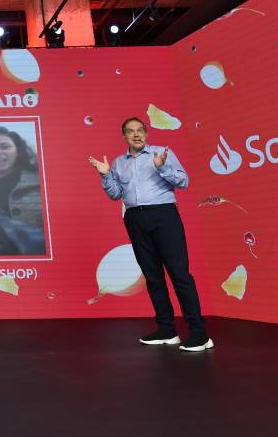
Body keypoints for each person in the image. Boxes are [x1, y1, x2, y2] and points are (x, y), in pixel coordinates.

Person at [89, 117, 212, 352]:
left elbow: (184, 181)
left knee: (179, 274)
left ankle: (199, 333)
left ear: (146, 133)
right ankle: (167, 329)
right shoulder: (118, 163)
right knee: (152, 276)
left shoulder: (161, 153)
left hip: (164, 216)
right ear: (124, 136)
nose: (136, 134)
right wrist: (105, 174)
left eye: (140, 130)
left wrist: (162, 166)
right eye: (130, 131)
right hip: (135, 218)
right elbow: (116, 194)